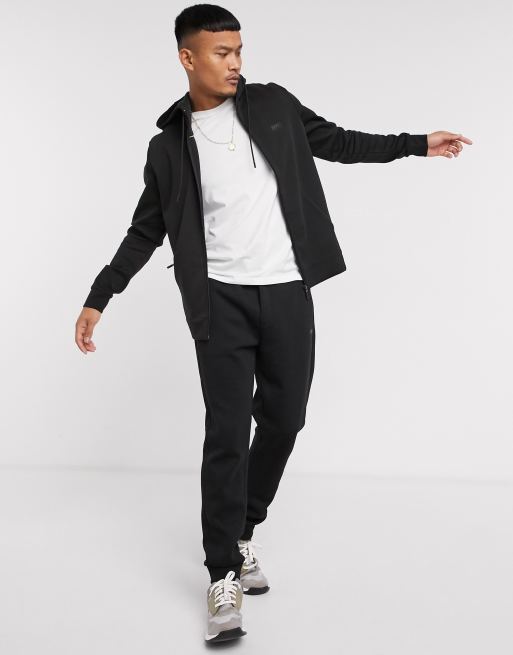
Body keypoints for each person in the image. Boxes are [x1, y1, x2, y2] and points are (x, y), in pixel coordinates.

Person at [74, 3, 472, 644]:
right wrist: (101, 295)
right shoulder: (168, 147)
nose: (236, 63)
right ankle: (222, 574)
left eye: (239, 50)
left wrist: (416, 143)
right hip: (220, 304)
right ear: (187, 58)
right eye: (222, 52)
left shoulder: (274, 105)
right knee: (227, 435)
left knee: (285, 420)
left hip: (287, 293)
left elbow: (339, 142)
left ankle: (242, 529)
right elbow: (146, 229)